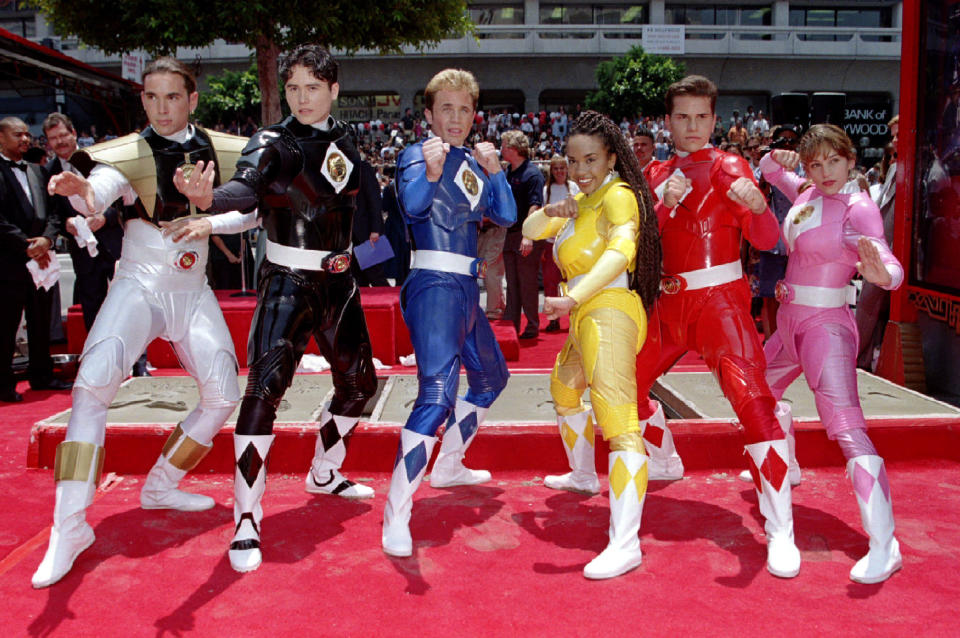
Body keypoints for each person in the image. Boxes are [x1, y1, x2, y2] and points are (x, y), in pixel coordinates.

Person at [33, 57, 248, 588]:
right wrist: (78, 190)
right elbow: (103, 188)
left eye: (172, 97)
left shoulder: (224, 149)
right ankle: (69, 525)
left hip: (193, 290)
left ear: (192, 99)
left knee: (224, 395)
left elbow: (252, 210)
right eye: (151, 97)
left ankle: (161, 483)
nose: (161, 107)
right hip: (140, 285)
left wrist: (210, 215)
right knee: (92, 386)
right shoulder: (128, 152)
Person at [170, 45, 378, 573]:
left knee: (360, 386)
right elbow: (248, 190)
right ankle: (246, 517)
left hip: (341, 282)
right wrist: (209, 202)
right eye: (293, 88)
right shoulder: (272, 141)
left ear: (334, 89)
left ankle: (325, 471)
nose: (302, 98)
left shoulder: (348, 141)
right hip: (287, 284)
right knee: (262, 395)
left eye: (313, 87)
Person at [636, 75, 801, 578]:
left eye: (701, 117)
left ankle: (781, 530)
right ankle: (663, 458)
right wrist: (663, 201)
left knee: (751, 404)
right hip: (667, 305)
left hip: (720, 305)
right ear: (668, 121)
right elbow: (642, 243)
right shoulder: (655, 172)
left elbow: (768, 237)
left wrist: (757, 207)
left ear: (714, 119)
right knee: (622, 388)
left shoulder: (731, 166)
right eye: (681, 117)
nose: (691, 126)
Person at [760, 124, 903, 584]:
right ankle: (788, 474)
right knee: (758, 397)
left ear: (850, 159)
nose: (823, 172)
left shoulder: (858, 208)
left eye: (833, 162)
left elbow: (886, 261)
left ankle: (885, 543)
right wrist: (776, 160)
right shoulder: (804, 192)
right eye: (815, 163)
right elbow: (769, 172)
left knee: (846, 429)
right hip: (788, 323)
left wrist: (885, 274)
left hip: (826, 329)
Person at [382, 68, 516, 558]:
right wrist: (434, 172)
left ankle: (449, 463)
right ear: (429, 114)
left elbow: (505, 215)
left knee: (490, 379)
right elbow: (414, 207)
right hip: (433, 284)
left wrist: (496, 169)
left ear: (473, 114)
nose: (456, 118)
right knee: (437, 395)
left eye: (464, 109)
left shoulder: (473, 162)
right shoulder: (416, 155)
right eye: (446, 109)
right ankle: (397, 511)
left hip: (465, 286)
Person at [523, 111, 661, 579]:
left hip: (609, 308)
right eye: (573, 160)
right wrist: (554, 210)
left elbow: (622, 251)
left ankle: (626, 544)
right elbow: (528, 231)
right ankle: (583, 475)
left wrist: (575, 296)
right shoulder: (581, 198)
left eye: (591, 160)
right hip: (585, 311)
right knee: (564, 391)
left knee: (619, 423)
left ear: (612, 159)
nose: (580, 169)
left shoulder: (618, 196)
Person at [0, 117, 70, 404]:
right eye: (18, 135)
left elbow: (54, 212)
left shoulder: (37, 171)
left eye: (28, 134)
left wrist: (47, 240)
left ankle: (42, 375)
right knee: (6, 324)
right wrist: (26, 246)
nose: (25, 139)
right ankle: (3, 384)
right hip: (8, 261)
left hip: (42, 259)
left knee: (41, 320)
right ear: (1, 137)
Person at [501, 129, 545, 339]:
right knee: (512, 282)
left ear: (513, 149)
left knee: (527, 282)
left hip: (525, 234)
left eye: (503, 146)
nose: (501, 149)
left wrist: (528, 235)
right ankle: (512, 323)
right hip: (509, 233)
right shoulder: (509, 171)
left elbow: (534, 205)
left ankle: (532, 324)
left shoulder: (532, 173)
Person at [540, 154, 579, 332]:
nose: (559, 172)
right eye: (555, 168)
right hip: (551, 242)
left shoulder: (574, 187)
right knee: (550, 281)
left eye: (562, 168)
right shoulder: (546, 189)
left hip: (570, 241)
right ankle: (552, 318)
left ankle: (575, 317)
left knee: (572, 281)